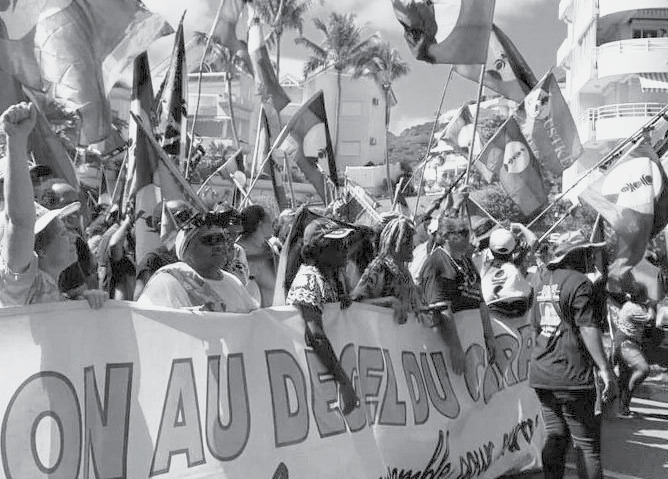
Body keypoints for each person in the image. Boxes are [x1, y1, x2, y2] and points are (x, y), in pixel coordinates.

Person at [0, 102, 105, 309]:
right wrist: (17, 139)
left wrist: (85, 304)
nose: (72, 237)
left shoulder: (54, 290)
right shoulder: (18, 286)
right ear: (38, 249)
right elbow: (20, 223)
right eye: (60, 232)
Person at [530, 230, 616, 479]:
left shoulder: (543, 281)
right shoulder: (580, 283)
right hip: (572, 374)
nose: (590, 257)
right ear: (575, 255)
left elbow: (535, 326)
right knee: (587, 444)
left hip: (543, 372)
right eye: (586, 252)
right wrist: (604, 368)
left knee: (555, 435)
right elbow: (587, 328)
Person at [286, 217, 359, 414]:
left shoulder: (333, 277)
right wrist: (343, 382)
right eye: (337, 244)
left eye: (345, 243)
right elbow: (315, 335)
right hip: (314, 373)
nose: (345, 249)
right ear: (319, 249)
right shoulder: (309, 278)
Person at [137, 210, 258, 313]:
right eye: (210, 240)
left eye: (222, 238)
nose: (220, 245)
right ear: (187, 250)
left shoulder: (234, 282)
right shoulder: (168, 281)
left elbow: (253, 324)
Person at [419, 214, 497, 373]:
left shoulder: (466, 261)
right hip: (452, 347)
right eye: (463, 232)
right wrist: (455, 349)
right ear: (447, 236)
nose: (469, 236)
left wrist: (489, 336)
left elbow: (480, 301)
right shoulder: (437, 263)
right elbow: (441, 309)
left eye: (468, 231)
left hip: (474, 343)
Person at [352, 215, 424, 324]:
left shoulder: (403, 271)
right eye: (405, 242)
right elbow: (355, 302)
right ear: (391, 244)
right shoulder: (378, 268)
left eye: (411, 241)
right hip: (384, 335)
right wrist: (388, 301)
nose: (411, 246)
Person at [612, 278, 654, 418]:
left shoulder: (630, 305)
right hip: (626, 344)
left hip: (624, 343)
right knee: (643, 369)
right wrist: (653, 306)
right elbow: (650, 319)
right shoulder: (634, 309)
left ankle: (622, 408)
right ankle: (623, 404)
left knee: (625, 377)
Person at [236, 205, 277, 308]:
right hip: (253, 314)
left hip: (272, 310)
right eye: (269, 221)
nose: (272, 225)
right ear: (260, 224)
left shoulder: (267, 246)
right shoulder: (239, 250)